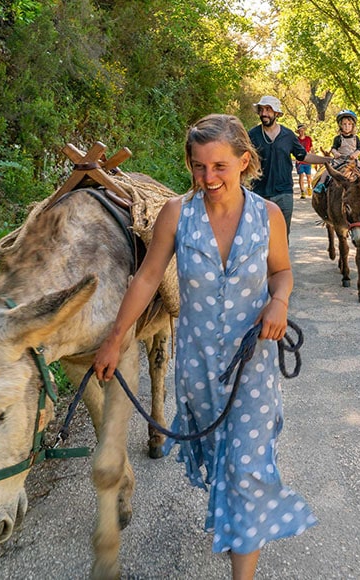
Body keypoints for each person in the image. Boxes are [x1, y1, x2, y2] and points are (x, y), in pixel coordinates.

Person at [93, 114, 316, 579]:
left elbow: (282, 271)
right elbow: (148, 277)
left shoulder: (268, 216)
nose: (208, 178)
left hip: (252, 362)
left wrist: (279, 301)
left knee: (246, 467)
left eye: (219, 166)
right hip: (197, 366)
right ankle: (235, 519)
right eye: (199, 167)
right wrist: (115, 340)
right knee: (224, 461)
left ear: (244, 162)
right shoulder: (177, 214)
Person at [248, 96, 332, 237]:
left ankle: (280, 260)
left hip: (284, 193)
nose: (264, 113)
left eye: (268, 110)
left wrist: (327, 160)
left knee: (281, 236)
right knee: (258, 236)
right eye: (261, 110)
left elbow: (303, 156)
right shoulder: (252, 135)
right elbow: (241, 158)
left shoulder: (288, 135)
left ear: (277, 114)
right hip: (258, 193)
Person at [313, 109, 360, 195]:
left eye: (349, 124)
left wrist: (355, 154)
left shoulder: (356, 138)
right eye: (344, 124)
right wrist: (336, 153)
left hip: (352, 160)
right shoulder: (338, 138)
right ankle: (321, 184)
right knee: (327, 170)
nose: (347, 126)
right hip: (340, 159)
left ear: (353, 126)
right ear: (340, 125)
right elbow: (333, 148)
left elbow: (359, 149)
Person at [295, 123, 313, 199]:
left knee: (309, 177)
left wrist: (313, 157)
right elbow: (294, 149)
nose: (301, 132)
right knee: (301, 176)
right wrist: (296, 158)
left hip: (307, 160)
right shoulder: (296, 139)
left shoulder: (308, 139)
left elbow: (312, 149)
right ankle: (302, 191)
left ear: (304, 131)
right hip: (299, 161)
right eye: (300, 131)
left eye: (302, 130)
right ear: (298, 132)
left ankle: (309, 187)